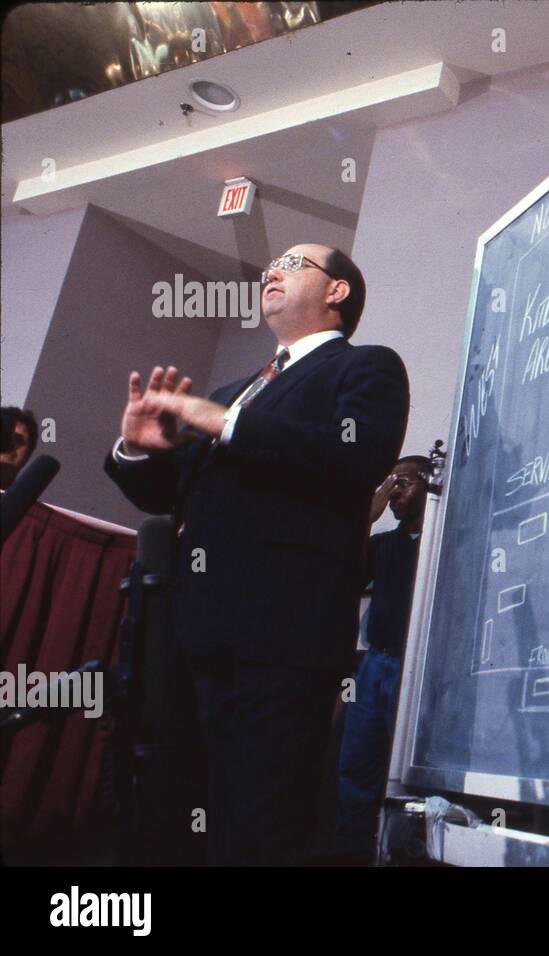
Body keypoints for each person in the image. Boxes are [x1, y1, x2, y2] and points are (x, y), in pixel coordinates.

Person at [103, 244, 409, 865]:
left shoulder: (368, 368)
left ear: (337, 292)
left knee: (258, 827)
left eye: (293, 264)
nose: (271, 271)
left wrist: (223, 422)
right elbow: (171, 493)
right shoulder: (233, 391)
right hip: (195, 634)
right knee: (177, 813)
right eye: (270, 264)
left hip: (283, 639)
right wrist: (139, 449)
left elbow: (353, 456)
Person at [334, 453, 431, 858]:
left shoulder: (438, 544)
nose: (394, 492)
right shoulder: (381, 545)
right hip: (375, 665)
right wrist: (365, 518)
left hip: (417, 669)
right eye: (389, 483)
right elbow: (338, 572)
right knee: (355, 765)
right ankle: (351, 855)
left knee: (408, 779)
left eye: (404, 482)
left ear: (429, 486)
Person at [0, 406, 39, 490]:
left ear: (29, 453)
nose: (8, 446)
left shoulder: (28, 503)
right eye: (2, 437)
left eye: (18, 441)